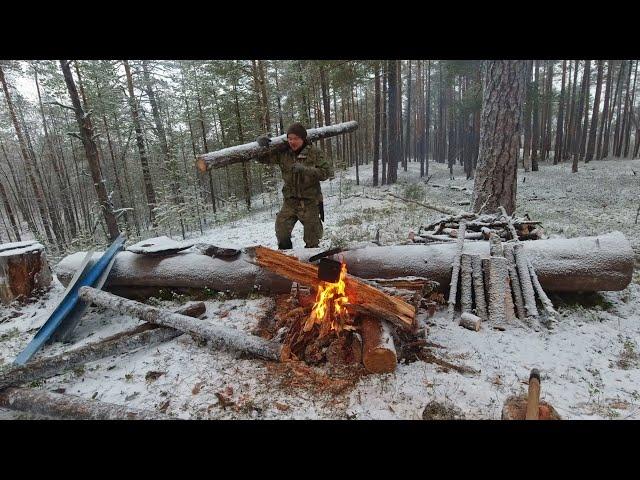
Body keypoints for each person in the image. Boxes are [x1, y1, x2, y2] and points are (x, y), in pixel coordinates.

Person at [256, 123, 333, 249]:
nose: (292, 142)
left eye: (296, 138)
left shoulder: (314, 153)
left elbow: (326, 173)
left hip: (310, 202)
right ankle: (288, 259)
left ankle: (311, 264)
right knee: (281, 232)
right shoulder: (284, 153)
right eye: (290, 138)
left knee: (312, 239)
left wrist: (306, 170)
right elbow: (262, 159)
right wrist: (261, 145)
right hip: (290, 201)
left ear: (303, 139)